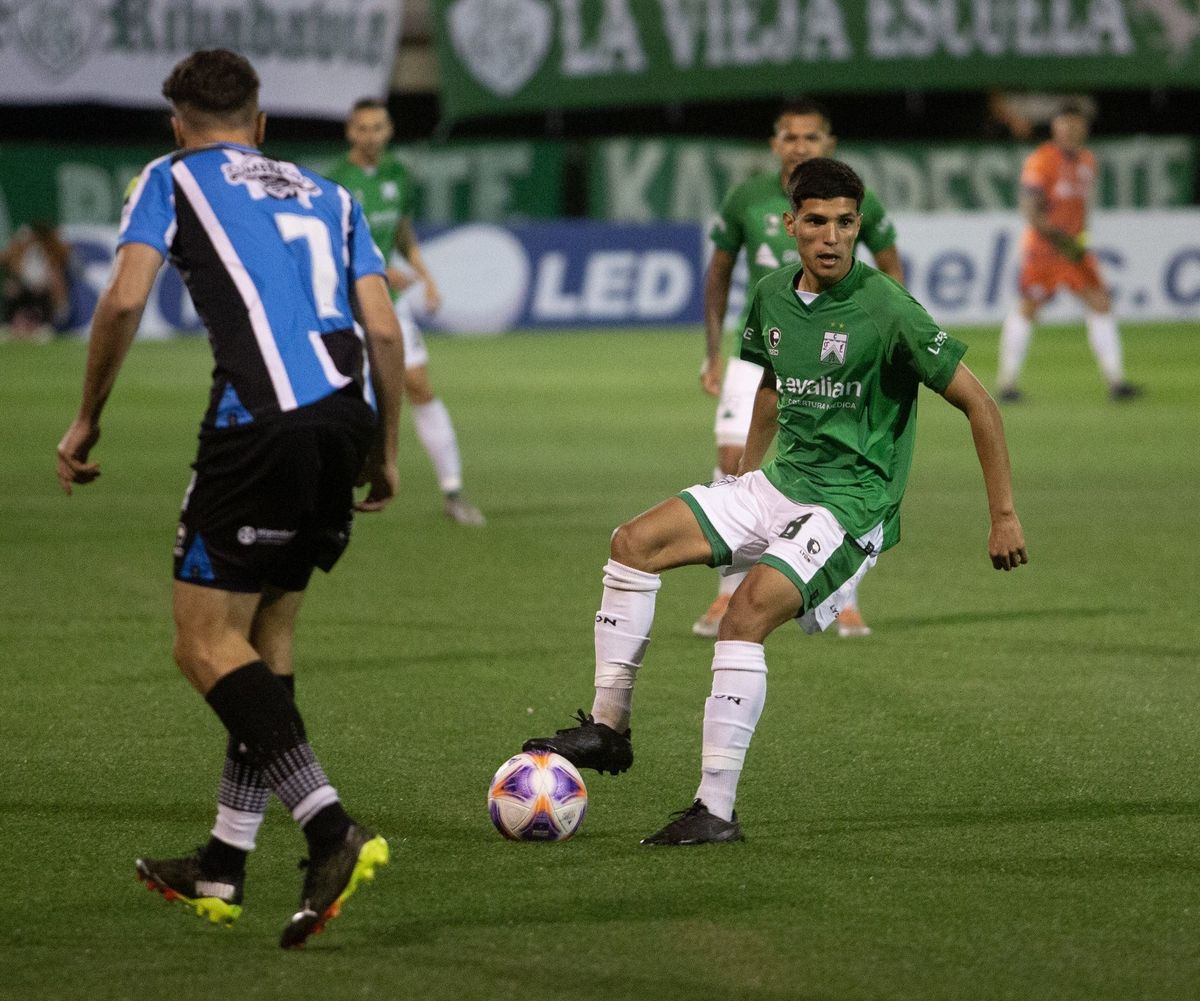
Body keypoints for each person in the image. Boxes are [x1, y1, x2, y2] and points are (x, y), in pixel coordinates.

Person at [524, 158, 1027, 846]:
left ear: (858, 225)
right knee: (632, 543)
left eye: (845, 223)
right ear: (790, 225)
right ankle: (610, 729)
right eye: (816, 222)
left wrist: (1002, 515)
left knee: (745, 612)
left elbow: (980, 404)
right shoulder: (769, 294)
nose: (832, 237)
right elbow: (769, 384)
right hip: (776, 485)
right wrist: (742, 468)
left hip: (848, 507)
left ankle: (715, 809)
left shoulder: (890, 309)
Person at [55, 49, 404, 948]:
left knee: (202, 640)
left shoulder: (170, 176)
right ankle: (223, 859)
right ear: (261, 123)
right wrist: (386, 450)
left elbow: (126, 299)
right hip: (345, 416)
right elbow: (387, 325)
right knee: (263, 641)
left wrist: (88, 416)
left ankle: (330, 829)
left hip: (261, 424)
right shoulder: (332, 194)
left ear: (180, 125)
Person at [695, 98, 904, 639]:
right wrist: (712, 351)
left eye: (811, 138)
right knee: (730, 460)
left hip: (833, 355)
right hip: (760, 351)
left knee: (834, 461)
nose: (800, 146)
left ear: (827, 144)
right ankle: (729, 592)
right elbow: (718, 273)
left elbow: (889, 258)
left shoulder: (851, 196)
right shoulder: (746, 197)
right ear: (775, 144)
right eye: (790, 137)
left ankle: (842, 594)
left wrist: (885, 336)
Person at [327, 98, 485, 526]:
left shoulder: (398, 174)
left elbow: (401, 231)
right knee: (349, 399)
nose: (371, 136)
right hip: (349, 306)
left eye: (378, 127)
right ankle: (334, 491)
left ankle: (452, 490)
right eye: (363, 128)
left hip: (391, 303)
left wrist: (425, 275)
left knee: (419, 387)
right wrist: (377, 270)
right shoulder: (336, 182)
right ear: (350, 132)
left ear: (389, 129)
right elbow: (327, 249)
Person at [996, 102, 1141, 402]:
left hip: (1075, 250)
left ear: (1084, 129)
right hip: (1045, 251)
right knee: (1028, 308)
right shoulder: (1041, 161)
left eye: (1077, 126)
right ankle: (1006, 382)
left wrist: (1080, 240)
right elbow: (1031, 212)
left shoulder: (1088, 161)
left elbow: (1081, 207)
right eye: (1066, 125)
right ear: (1055, 128)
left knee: (1100, 303)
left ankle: (1116, 381)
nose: (1072, 131)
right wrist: (1065, 240)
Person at [1, 220, 71, 341]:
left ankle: (45, 326)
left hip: (44, 287)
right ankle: (7, 324)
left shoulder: (52, 249)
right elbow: (6, 259)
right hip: (23, 285)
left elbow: (61, 263)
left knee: (45, 290)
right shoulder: (20, 249)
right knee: (11, 289)